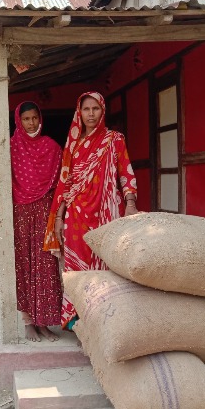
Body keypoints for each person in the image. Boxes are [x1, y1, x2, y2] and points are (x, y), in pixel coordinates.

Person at [43, 91, 139, 331]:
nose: (91, 114)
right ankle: (77, 320)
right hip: (76, 215)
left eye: (95, 109)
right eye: (86, 109)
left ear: (103, 111)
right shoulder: (73, 144)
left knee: (107, 264)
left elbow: (125, 172)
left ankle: (105, 314)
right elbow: (65, 182)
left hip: (107, 213)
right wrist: (58, 217)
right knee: (76, 267)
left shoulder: (114, 139)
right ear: (79, 113)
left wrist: (130, 202)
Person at [0, 101, 63, 342]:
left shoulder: (52, 147)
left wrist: (61, 216)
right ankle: (28, 322)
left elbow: (63, 183)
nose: (31, 123)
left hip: (45, 214)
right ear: (18, 122)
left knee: (45, 267)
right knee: (23, 266)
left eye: (34, 118)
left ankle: (44, 322)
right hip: (19, 214)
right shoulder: (10, 148)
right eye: (26, 119)